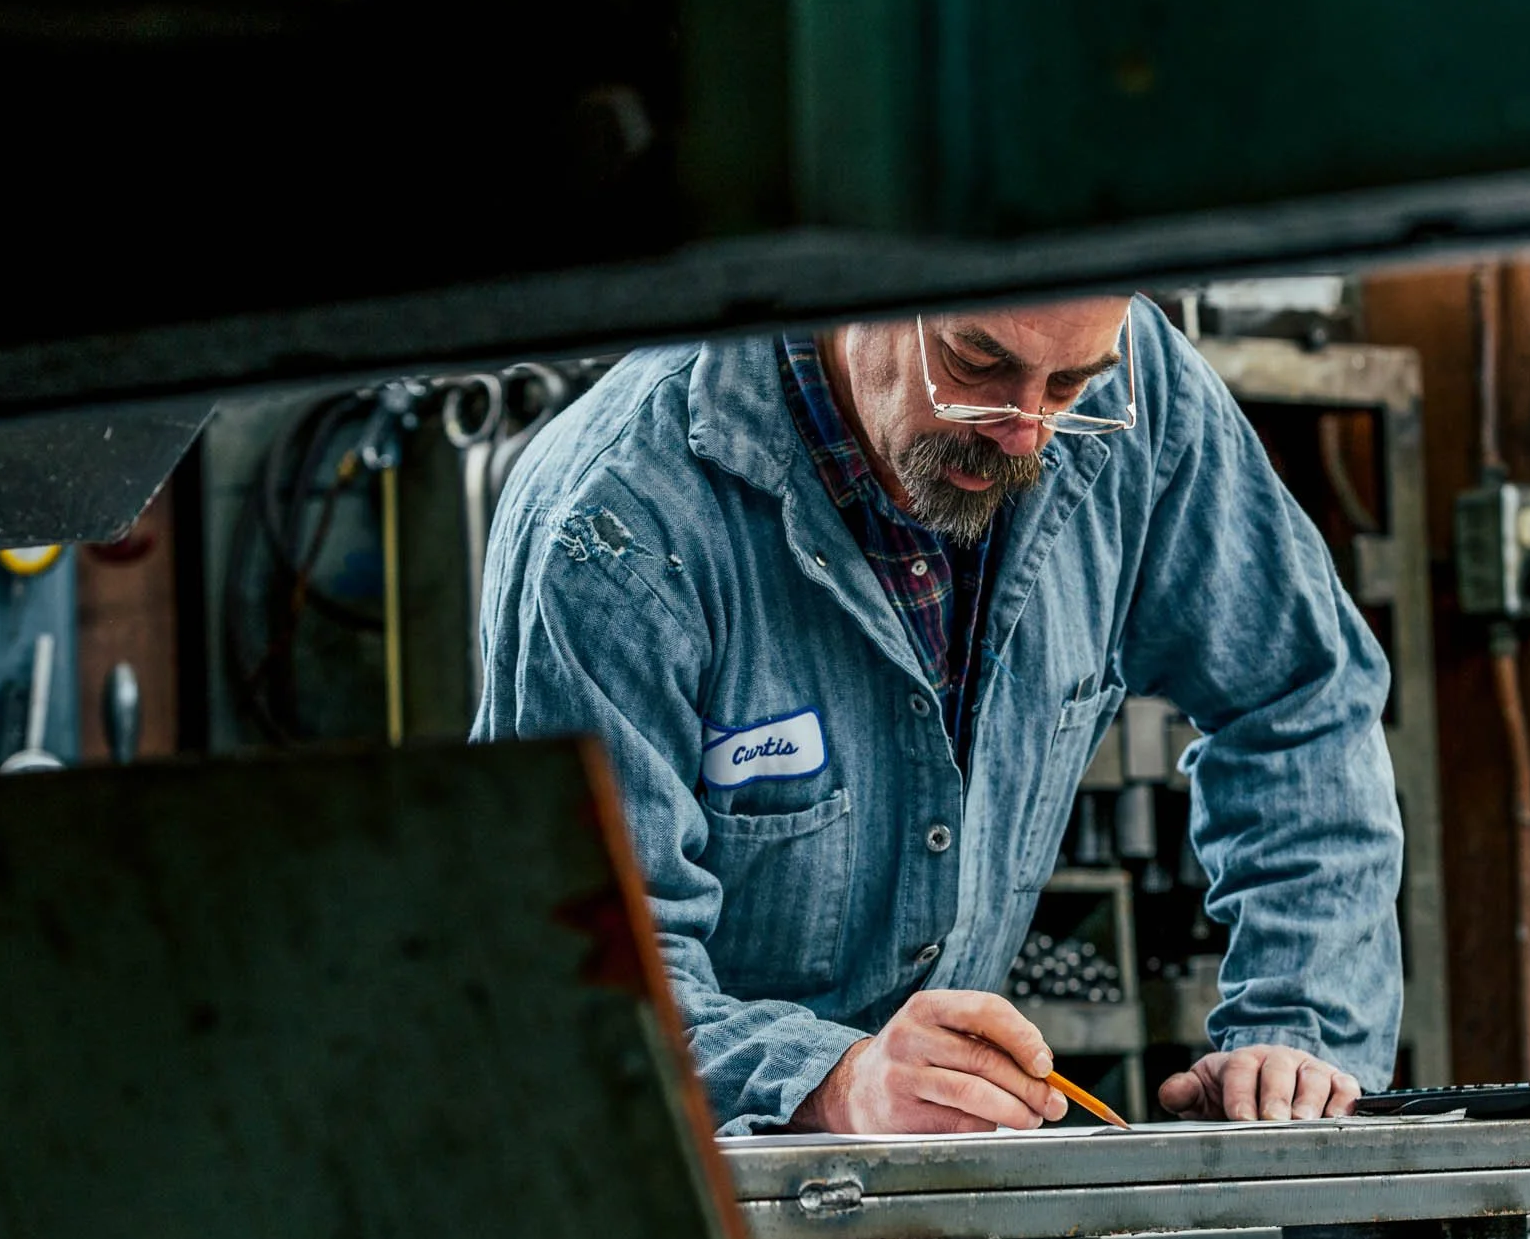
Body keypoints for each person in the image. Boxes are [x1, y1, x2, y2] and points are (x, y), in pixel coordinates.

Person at [474, 295, 1403, 1134]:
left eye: (1072, 384)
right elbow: (575, 991)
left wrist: (1296, 1035)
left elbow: (1301, 691)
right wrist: (834, 1084)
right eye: (976, 364)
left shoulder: (1134, 389)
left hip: (942, 1217)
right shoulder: (617, 527)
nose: (1028, 434)